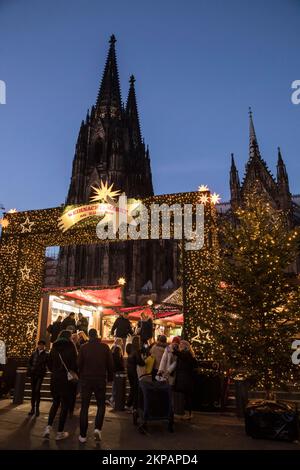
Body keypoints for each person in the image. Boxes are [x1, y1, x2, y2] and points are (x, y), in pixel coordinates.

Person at [78, 329, 113, 443]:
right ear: (97, 335)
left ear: (88, 335)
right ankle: (98, 429)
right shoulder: (104, 347)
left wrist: (81, 376)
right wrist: (110, 378)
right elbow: (110, 364)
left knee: (84, 407)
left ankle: (83, 435)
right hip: (100, 379)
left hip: (86, 380)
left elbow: (79, 364)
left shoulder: (83, 347)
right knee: (101, 405)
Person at [43, 330, 78, 440]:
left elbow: (48, 363)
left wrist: (55, 370)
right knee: (64, 406)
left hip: (55, 378)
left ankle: (48, 428)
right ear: (69, 337)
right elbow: (75, 364)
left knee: (55, 403)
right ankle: (59, 432)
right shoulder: (71, 347)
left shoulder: (54, 347)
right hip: (66, 380)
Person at [173, 340, 197, 420]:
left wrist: (174, 350)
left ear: (185, 346)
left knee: (187, 396)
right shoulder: (187, 354)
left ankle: (189, 414)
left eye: (181, 344)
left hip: (185, 379)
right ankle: (187, 413)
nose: (179, 345)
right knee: (186, 396)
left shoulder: (186, 353)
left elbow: (181, 356)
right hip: (184, 378)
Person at [27, 340, 48, 417]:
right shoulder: (34, 353)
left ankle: (37, 409)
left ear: (44, 346)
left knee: (37, 390)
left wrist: (43, 370)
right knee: (33, 391)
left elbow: (47, 364)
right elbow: (29, 362)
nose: (40, 346)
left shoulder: (46, 354)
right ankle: (32, 409)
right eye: (39, 345)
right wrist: (31, 368)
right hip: (33, 374)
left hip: (40, 375)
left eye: (42, 345)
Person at [126, 336, 145, 418]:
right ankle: (133, 407)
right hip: (134, 372)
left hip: (129, 371)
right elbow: (140, 362)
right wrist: (144, 362)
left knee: (133, 388)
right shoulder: (136, 351)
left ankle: (129, 404)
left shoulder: (131, 350)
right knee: (135, 389)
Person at [109, 337, 125, 408]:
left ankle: (113, 399)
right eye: (121, 342)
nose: (122, 344)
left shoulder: (112, 348)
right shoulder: (117, 348)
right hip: (117, 369)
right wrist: (122, 367)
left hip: (113, 369)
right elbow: (118, 360)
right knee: (115, 385)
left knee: (114, 384)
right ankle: (112, 399)